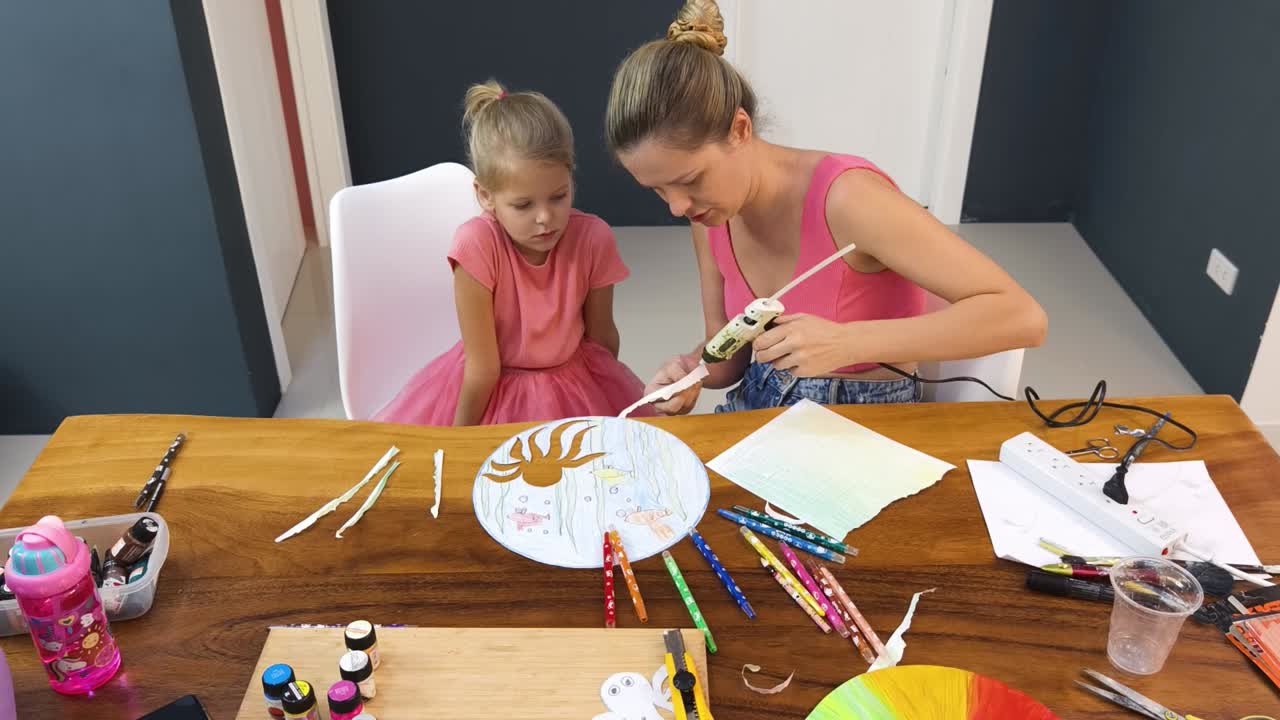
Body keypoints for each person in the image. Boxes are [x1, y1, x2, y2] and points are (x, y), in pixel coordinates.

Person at [605, 0, 1047, 414]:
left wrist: (849, 343)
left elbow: (1021, 316)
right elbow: (731, 358)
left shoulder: (849, 200)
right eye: (658, 191)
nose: (677, 207)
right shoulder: (708, 215)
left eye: (689, 180)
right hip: (758, 404)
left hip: (864, 421)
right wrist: (691, 371)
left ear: (739, 129)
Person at [374, 80, 650, 426]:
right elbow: (483, 367)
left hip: (571, 383)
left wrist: (600, 399)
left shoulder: (593, 238)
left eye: (559, 196)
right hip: (494, 390)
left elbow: (601, 340)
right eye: (522, 205)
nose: (545, 218)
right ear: (485, 196)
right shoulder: (476, 246)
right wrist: (458, 443)